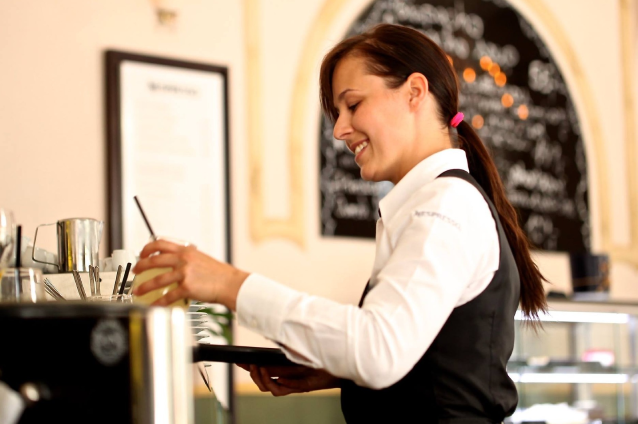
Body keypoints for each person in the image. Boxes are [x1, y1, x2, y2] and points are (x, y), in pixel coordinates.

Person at [132, 23, 547, 423]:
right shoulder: (436, 202)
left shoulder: (446, 205)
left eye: (352, 105)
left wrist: (227, 284)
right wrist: (343, 374)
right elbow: (425, 357)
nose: (339, 130)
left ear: (415, 92)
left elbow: (378, 348)